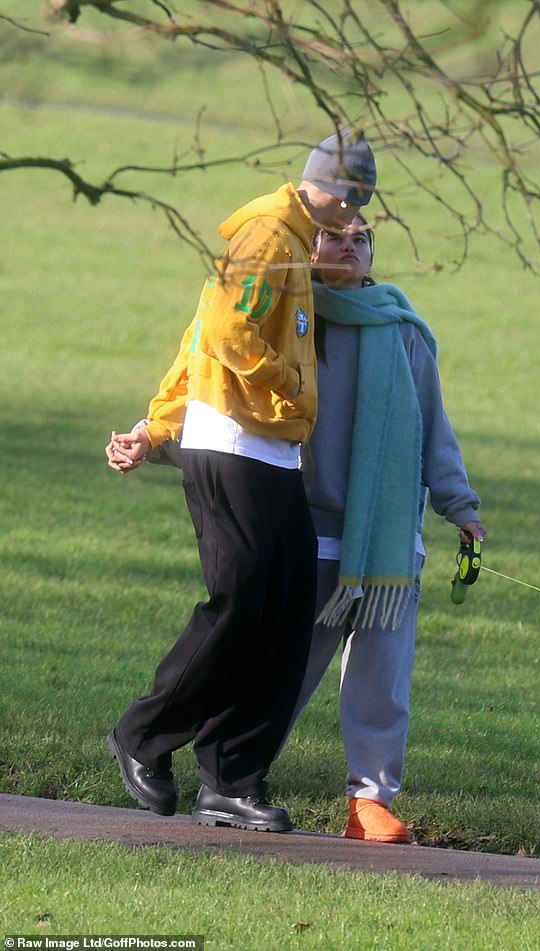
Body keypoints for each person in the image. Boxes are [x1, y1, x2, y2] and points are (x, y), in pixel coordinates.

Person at [104, 132, 377, 833]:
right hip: (232, 444)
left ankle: (232, 778)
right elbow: (224, 333)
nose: (360, 218)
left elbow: (202, 338)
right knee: (242, 601)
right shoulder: (270, 236)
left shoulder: (295, 235)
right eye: (359, 201)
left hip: (272, 454)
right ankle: (143, 733)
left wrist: (159, 421)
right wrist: (284, 385)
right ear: (338, 192)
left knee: (284, 618)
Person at [282, 215, 487, 843]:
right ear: (304, 247)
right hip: (305, 533)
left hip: (392, 543)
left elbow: (433, 429)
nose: (349, 244)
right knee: (282, 669)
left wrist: (460, 505)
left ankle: (369, 803)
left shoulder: (403, 332)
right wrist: (157, 440)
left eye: (362, 237)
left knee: (382, 680)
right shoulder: (286, 320)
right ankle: (234, 775)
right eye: (333, 234)